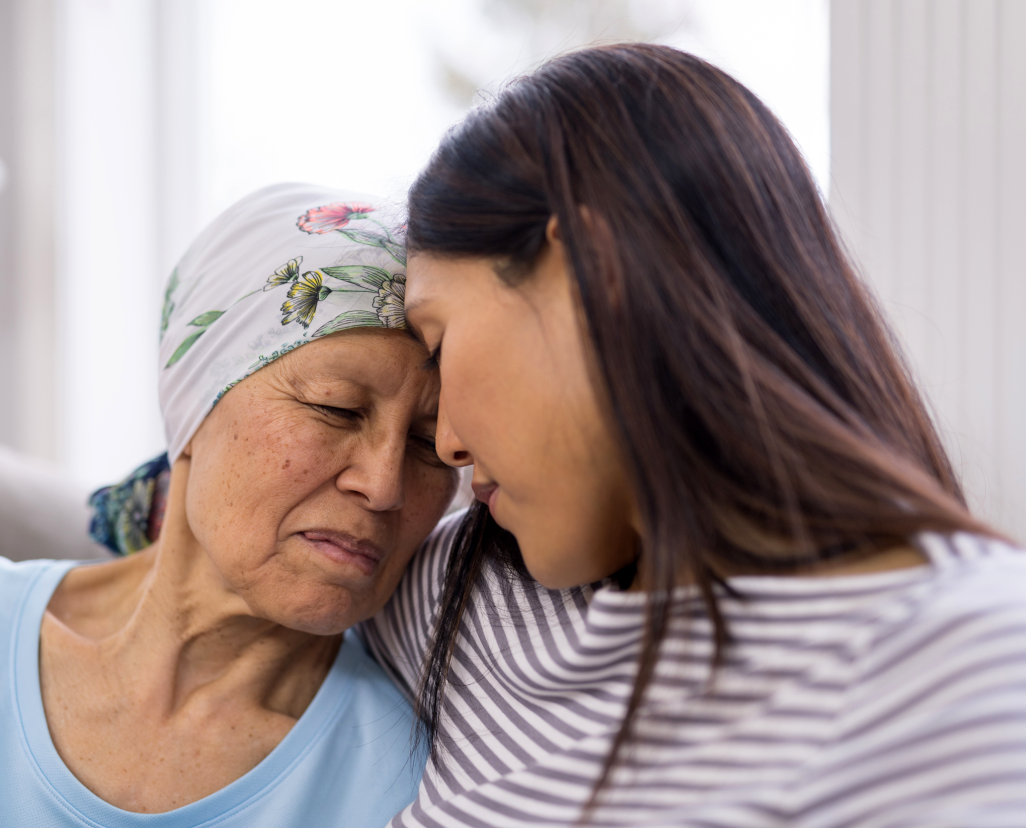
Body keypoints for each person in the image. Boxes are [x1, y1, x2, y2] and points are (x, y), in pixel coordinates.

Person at [363, 43, 1026, 826]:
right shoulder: (454, 595)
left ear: (590, 270)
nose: (448, 446)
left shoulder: (969, 674)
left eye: (438, 343)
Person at [0, 184, 456, 827]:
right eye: (336, 408)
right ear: (195, 404)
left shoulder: (409, 784)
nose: (385, 484)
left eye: (431, 446)